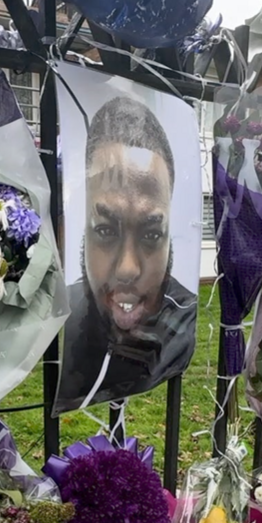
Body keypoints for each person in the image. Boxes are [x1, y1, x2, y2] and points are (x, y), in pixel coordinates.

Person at [55, 95, 197, 414]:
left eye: (151, 235)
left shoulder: (183, 319)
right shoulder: (66, 308)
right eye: (106, 230)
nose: (128, 268)